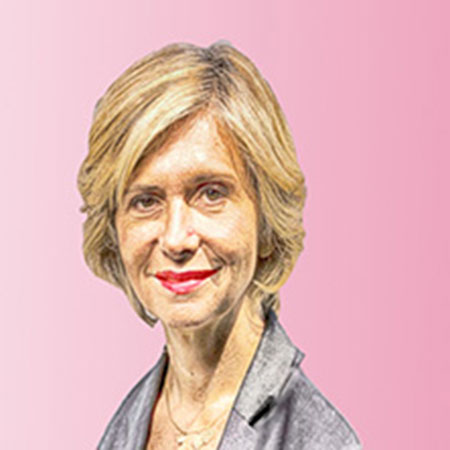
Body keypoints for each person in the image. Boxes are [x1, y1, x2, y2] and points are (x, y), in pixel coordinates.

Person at [78, 41, 361, 450]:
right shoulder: (126, 425)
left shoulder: (316, 439)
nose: (176, 238)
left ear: (266, 221)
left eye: (210, 193)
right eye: (146, 201)